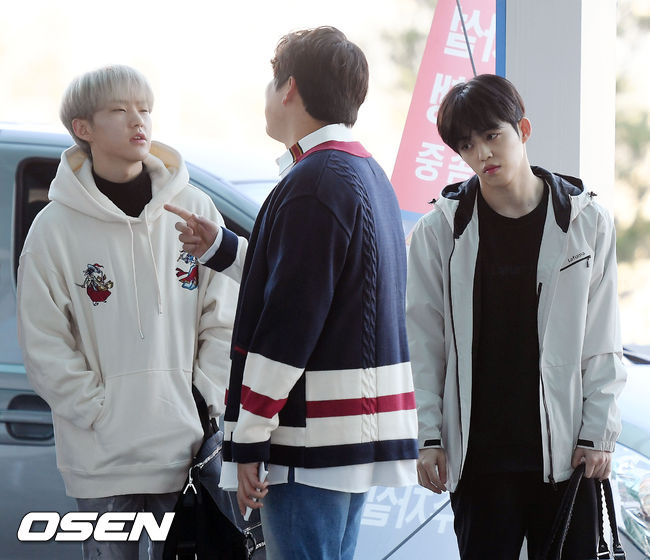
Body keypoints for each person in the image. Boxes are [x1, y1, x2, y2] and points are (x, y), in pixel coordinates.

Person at [166, 26, 418, 560]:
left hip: (309, 441)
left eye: (271, 81)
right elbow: (316, 286)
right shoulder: (364, 172)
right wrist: (225, 249)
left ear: (290, 88)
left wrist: (249, 437)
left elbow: (289, 322)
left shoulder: (315, 182)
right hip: (347, 436)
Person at [17, 65, 238, 560]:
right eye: (119, 110)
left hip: (185, 452)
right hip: (101, 460)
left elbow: (223, 317)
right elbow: (43, 340)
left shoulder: (194, 211)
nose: (139, 121)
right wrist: (98, 410)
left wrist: (203, 400)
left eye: (145, 109)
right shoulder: (53, 229)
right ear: (84, 128)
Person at [406, 73, 627, 559]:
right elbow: (424, 344)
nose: (482, 154)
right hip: (479, 461)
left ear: (522, 130)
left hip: (567, 456)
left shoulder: (586, 222)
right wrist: (429, 437)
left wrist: (598, 434)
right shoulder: (438, 232)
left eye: (492, 135)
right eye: (467, 145)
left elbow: (602, 337)